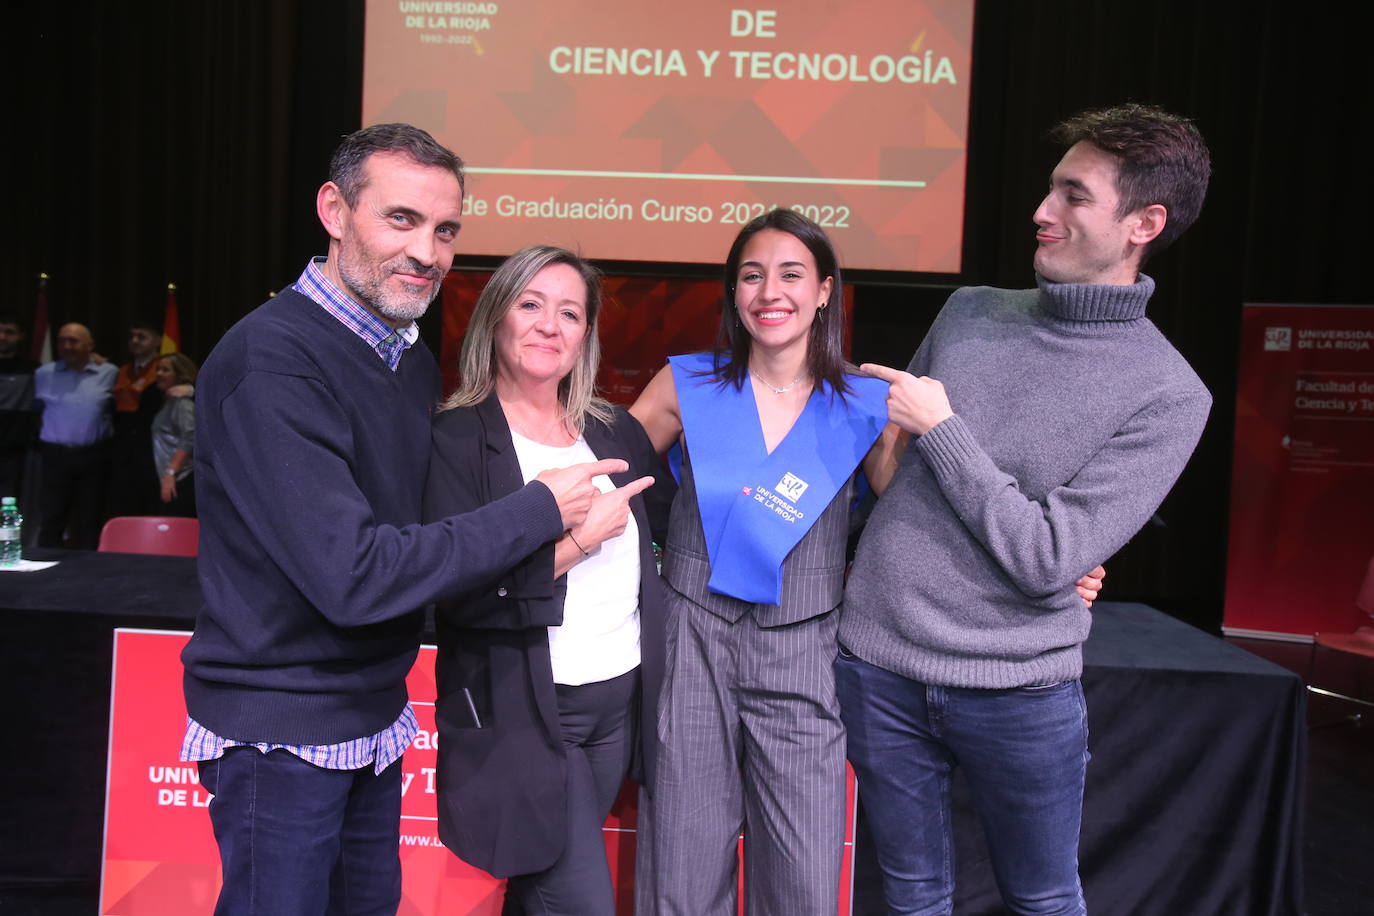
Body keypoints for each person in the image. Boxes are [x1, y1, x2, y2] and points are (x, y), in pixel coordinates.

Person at [179, 123, 629, 916]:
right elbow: (355, 577)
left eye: (445, 229)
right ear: (333, 210)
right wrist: (538, 510)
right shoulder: (273, 361)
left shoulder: (404, 357)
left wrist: (549, 541)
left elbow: (423, 554)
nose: (427, 250)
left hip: (369, 719)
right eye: (400, 220)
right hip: (281, 734)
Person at [837, 103, 1213, 915]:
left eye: (1074, 195)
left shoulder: (1170, 393)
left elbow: (1047, 556)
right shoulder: (969, 311)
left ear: (1146, 222)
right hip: (877, 663)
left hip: (1018, 691)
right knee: (907, 895)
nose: (1042, 213)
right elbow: (891, 474)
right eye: (1050, 189)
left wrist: (945, 430)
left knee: (1042, 899)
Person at [423, 245, 673, 914]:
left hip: (616, 703)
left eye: (569, 312)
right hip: (528, 709)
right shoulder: (457, 439)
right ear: (496, 319)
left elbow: (663, 545)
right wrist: (573, 546)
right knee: (579, 901)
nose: (548, 325)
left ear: (586, 334)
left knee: (543, 885)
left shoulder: (614, 428)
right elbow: (455, 591)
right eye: (530, 305)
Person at [33, 322, 116, 548]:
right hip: (55, 456)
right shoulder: (43, 374)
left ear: (90, 345)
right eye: (62, 340)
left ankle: (89, 575)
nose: (67, 346)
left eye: (74, 340)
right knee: (52, 518)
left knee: (91, 519)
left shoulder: (109, 372)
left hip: (93, 456)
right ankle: (45, 572)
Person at [107, 319, 165, 517]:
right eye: (132, 337)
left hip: (152, 447)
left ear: (157, 341)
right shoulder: (121, 371)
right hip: (123, 448)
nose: (135, 341)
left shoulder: (164, 369)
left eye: (142, 336)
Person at [150, 352, 198, 517]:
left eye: (165, 370)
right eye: (158, 369)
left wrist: (171, 474)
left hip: (181, 478)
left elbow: (190, 438)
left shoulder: (182, 403)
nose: (159, 374)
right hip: (172, 478)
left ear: (179, 374)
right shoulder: (168, 401)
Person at [0, 313, 38, 502]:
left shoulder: (34, 370)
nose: (2, 337)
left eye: (9, 332)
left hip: (14, 453)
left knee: (9, 504)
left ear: (21, 336)